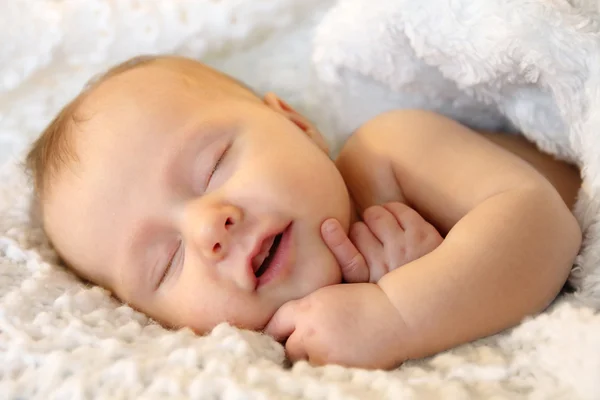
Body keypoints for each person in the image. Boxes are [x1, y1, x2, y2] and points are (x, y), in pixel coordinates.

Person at [25, 55, 582, 369]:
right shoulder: (300, 351)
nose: (205, 228)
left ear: (296, 125)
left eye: (213, 165)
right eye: (165, 262)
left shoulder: (388, 154)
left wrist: (397, 314)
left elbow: (542, 223)